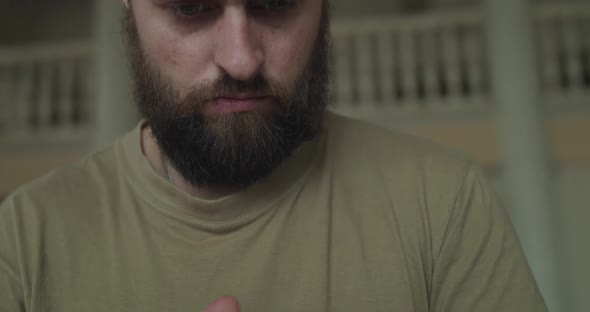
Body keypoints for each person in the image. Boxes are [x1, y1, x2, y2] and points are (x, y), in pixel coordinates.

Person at [0, 0, 548, 311]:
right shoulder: (22, 245)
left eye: (278, 2)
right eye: (191, 6)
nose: (241, 59)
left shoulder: (443, 205)